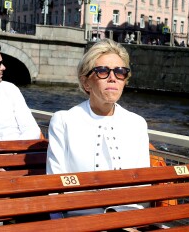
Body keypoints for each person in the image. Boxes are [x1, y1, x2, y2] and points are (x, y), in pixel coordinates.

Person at [46, 38, 150, 217]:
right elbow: (55, 186)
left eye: (120, 72)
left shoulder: (137, 123)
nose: (112, 78)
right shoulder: (64, 121)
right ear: (86, 83)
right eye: (102, 71)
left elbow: (143, 186)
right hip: (80, 221)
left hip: (128, 221)